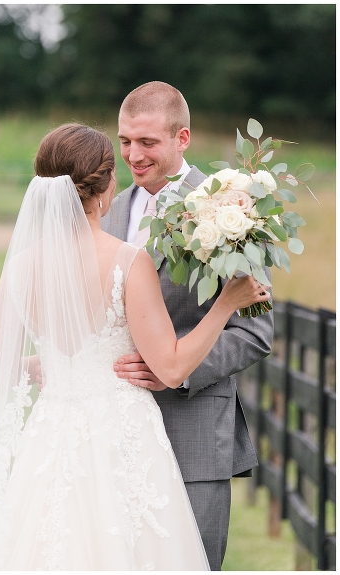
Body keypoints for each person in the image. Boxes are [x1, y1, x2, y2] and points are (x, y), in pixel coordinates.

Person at [0, 123, 270, 570]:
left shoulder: (19, 268)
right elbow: (171, 367)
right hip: (123, 435)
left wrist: (51, 363)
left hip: (52, 435)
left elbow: (1, 367)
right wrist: (226, 304)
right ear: (104, 187)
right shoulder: (127, 259)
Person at [103, 81, 274, 570]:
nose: (133, 156)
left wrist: (174, 369)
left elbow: (255, 330)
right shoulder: (109, 211)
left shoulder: (232, 209)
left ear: (182, 139)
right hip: (115, 426)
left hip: (195, 427)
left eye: (147, 143)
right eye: (125, 142)